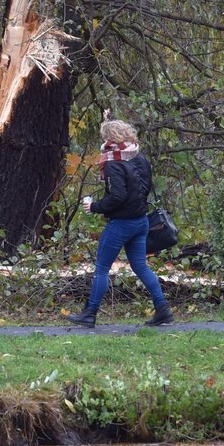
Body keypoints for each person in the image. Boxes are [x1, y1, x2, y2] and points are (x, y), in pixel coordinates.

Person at [67, 118, 173, 328]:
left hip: (121, 224)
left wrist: (94, 206)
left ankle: (90, 313)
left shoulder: (114, 163)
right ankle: (163, 310)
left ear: (110, 138)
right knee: (141, 267)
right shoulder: (139, 157)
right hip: (141, 221)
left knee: (102, 268)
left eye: (105, 138)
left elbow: (118, 196)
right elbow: (145, 187)